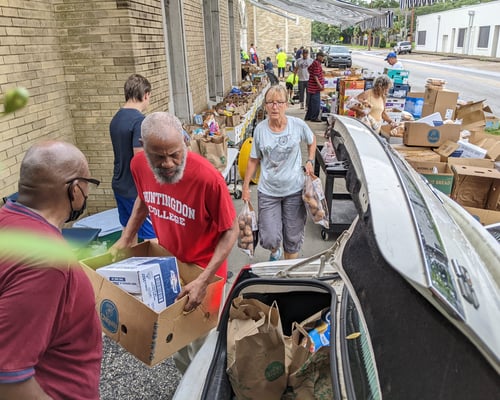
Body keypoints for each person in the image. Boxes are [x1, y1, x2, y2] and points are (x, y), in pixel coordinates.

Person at [0, 141, 102, 399]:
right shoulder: (46, 260)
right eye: (89, 183)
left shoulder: (7, 220)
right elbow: (9, 378)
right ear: (75, 189)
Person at [111, 112, 238, 311]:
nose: (168, 164)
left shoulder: (208, 179)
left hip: (205, 269)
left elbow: (231, 230)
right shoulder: (138, 166)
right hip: (170, 265)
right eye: (159, 157)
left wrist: (204, 280)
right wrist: (127, 237)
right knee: (169, 334)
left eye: (175, 154)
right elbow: (144, 198)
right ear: (143, 146)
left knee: (202, 338)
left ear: (184, 141)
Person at [242, 85, 316, 262]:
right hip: (269, 191)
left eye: (279, 102)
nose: (274, 107)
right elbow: (254, 159)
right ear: (265, 106)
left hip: (294, 190)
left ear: (286, 104)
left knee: (292, 237)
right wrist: (245, 187)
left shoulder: (297, 125)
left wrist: (310, 160)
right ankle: (275, 251)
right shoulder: (260, 129)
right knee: (268, 237)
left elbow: (312, 141)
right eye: (270, 103)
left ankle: (288, 269)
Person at [110, 73, 156, 242]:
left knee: (128, 235)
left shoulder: (116, 119)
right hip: (135, 190)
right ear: (146, 94)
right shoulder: (140, 121)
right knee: (153, 238)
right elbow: (140, 160)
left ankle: (129, 267)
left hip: (119, 184)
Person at [304, 51, 326, 122]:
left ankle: (309, 116)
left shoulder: (315, 62)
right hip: (315, 87)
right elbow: (315, 75)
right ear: (318, 56)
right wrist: (319, 84)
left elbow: (309, 69)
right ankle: (314, 117)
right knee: (316, 103)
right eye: (322, 57)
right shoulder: (317, 64)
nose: (323, 58)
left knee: (311, 103)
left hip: (311, 86)